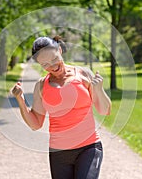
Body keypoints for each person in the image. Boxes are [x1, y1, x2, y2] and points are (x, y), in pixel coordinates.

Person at [11, 36, 111, 179]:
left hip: (89, 147)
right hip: (59, 153)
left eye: (53, 59)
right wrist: (20, 100)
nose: (52, 66)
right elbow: (35, 124)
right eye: (45, 64)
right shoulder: (41, 86)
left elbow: (105, 110)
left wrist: (99, 89)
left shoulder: (83, 75)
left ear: (59, 50)